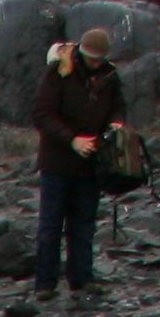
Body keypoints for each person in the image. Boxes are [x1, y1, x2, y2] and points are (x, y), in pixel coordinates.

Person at [31, 26, 128, 301]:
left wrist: (116, 123)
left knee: (84, 223)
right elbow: (41, 114)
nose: (96, 63)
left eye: (100, 59)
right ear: (82, 52)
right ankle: (45, 284)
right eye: (92, 58)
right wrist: (72, 140)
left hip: (91, 162)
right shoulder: (58, 72)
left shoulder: (109, 75)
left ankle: (82, 279)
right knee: (51, 223)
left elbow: (119, 106)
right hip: (57, 162)